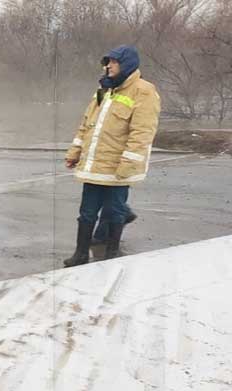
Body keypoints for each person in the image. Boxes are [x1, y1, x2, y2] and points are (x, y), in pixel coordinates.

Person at [63, 45, 160, 266]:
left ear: (126, 64)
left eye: (113, 62)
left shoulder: (144, 92)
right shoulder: (103, 90)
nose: (108, 66)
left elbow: (142, 132)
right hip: (94, 166)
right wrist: (75, 152)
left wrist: (129, 163)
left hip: (118, 168)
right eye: (107, 63)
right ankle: (80, 254)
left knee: (115, 211)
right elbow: (86, 125)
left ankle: (112, 253)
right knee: (86, 213)